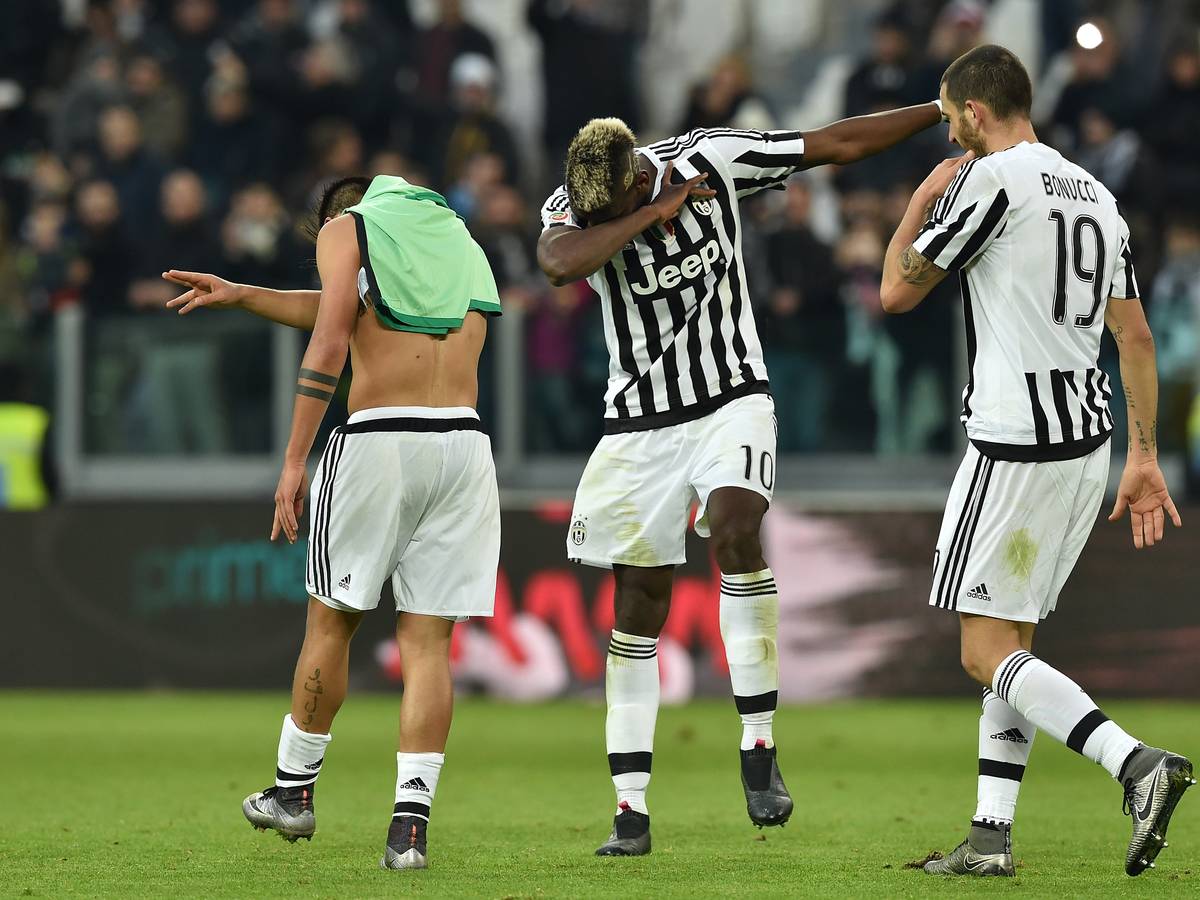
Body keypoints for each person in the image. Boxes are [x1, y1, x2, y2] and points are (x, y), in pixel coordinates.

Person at [535, 100, 945, 856]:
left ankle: (758, 746)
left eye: (618, 205)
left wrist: (937, 108)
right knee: (637, 606)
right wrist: (651, 214)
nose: (596, 219)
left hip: (732, 399)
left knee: (735, 533)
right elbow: (560, 261)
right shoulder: (578, 200)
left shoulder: (711, 159)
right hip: (639, 423)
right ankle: (631, 811)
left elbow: (837, 141)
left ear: (635, 172)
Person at [879, 44, 1192, 879]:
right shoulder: (1097, 195)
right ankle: (990, 837)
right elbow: (1135, 335)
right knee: (1012, 642)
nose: (950, 136)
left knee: (982, 652)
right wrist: (1146, 455)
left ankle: (1136, 765)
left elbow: (897, 291)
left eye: (951, 121)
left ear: (976, 114)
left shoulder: (992, 179)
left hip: (1015, 443)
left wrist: (916, 204)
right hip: (1088, 448)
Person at [160, 174, 502, 870]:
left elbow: (332, 337)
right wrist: (246, 293)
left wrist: (294, 460)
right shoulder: (458, 240)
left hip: (380, 442)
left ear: (338, 218)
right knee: (429, 645)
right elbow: (368, 310)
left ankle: (294, 792)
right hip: (464, 445)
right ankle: (410, 828)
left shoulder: (348, 227)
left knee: (332, 621)